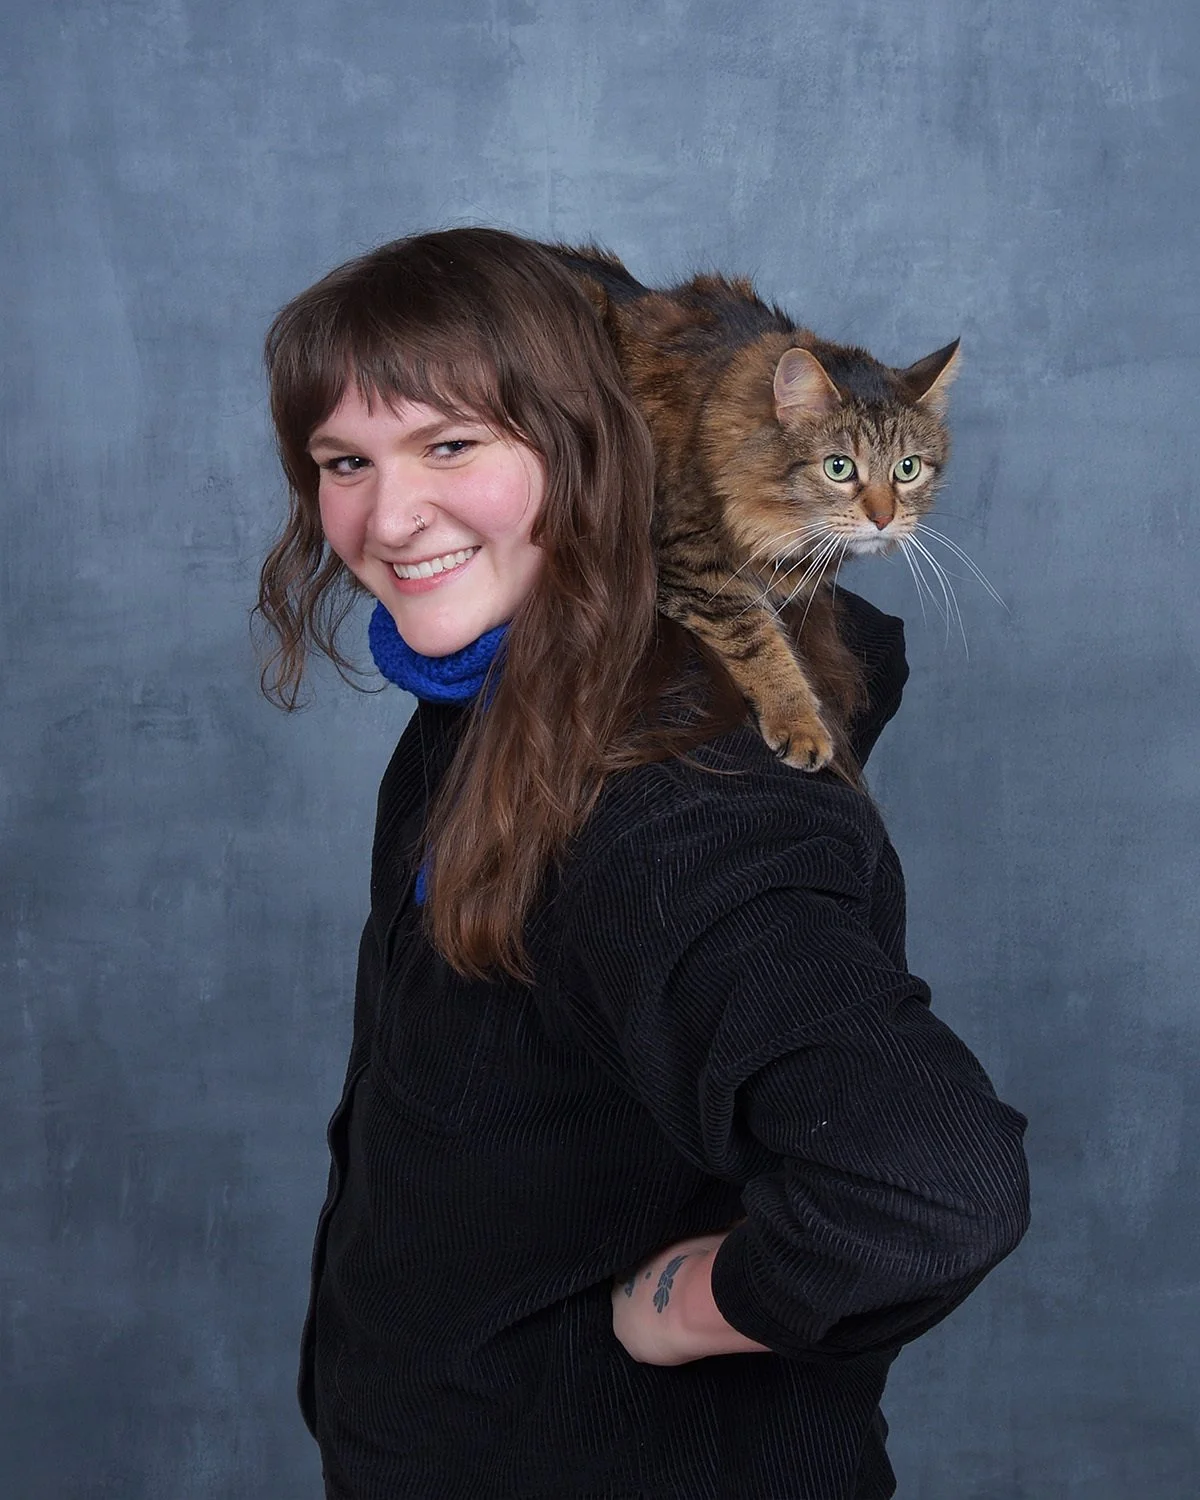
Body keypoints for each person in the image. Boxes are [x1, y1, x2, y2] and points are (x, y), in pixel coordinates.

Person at [257, 227, 1030, 1500]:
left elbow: (930, 1189)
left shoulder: (682, 815)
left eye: (450, 446)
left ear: (591, 441)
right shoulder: (496, 689)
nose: (387, 519)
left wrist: (686, 1307)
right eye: (346, 461)